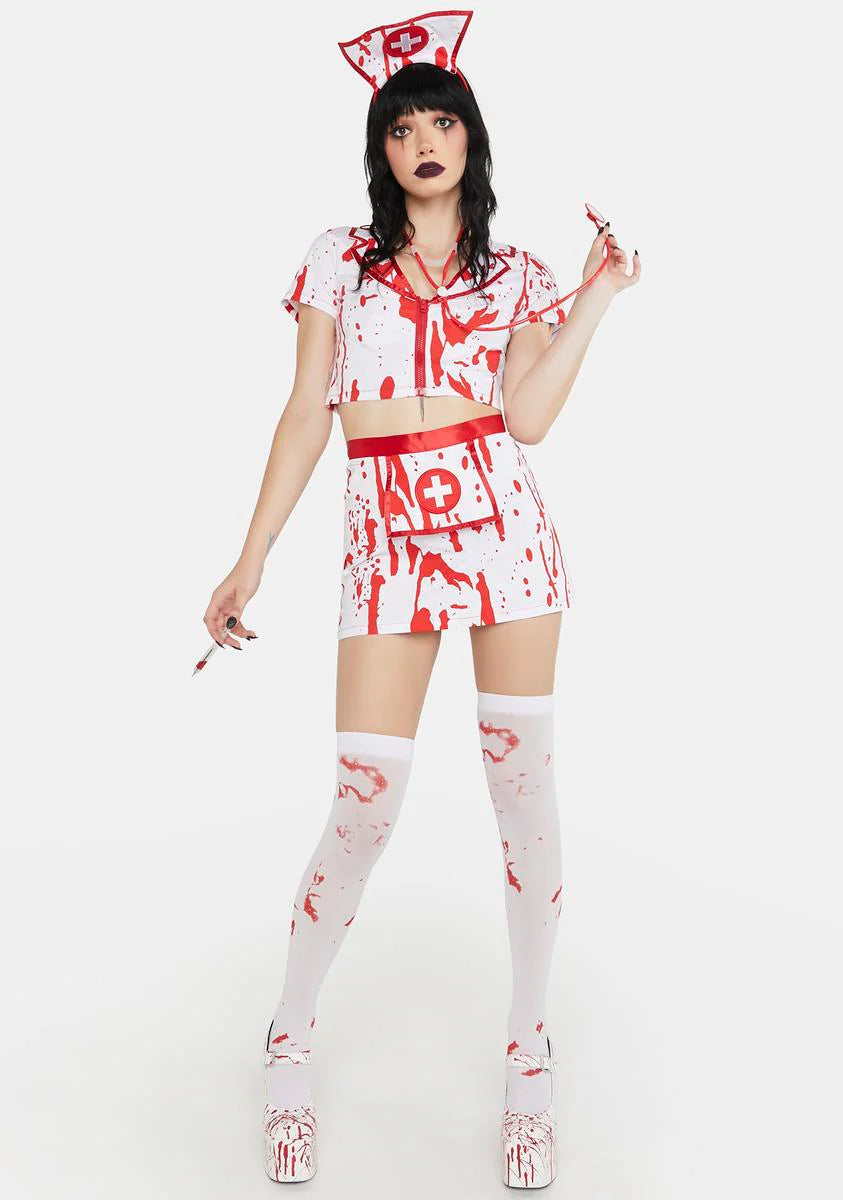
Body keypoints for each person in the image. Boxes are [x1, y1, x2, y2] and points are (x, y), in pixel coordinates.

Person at [202, 8, 640, 1187]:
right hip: (386, 538)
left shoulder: (518, 273)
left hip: (506, 538)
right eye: (402, 128)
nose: (425, 143)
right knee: (367, 798)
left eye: (442, 122)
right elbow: (308, 414)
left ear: (471, 138)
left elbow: (528, 418)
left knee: (524, 798)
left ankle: (529, 1053)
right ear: (381, 148)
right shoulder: (337, 260)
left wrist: (596, 296)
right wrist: (252, 556)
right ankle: (289, 1038)